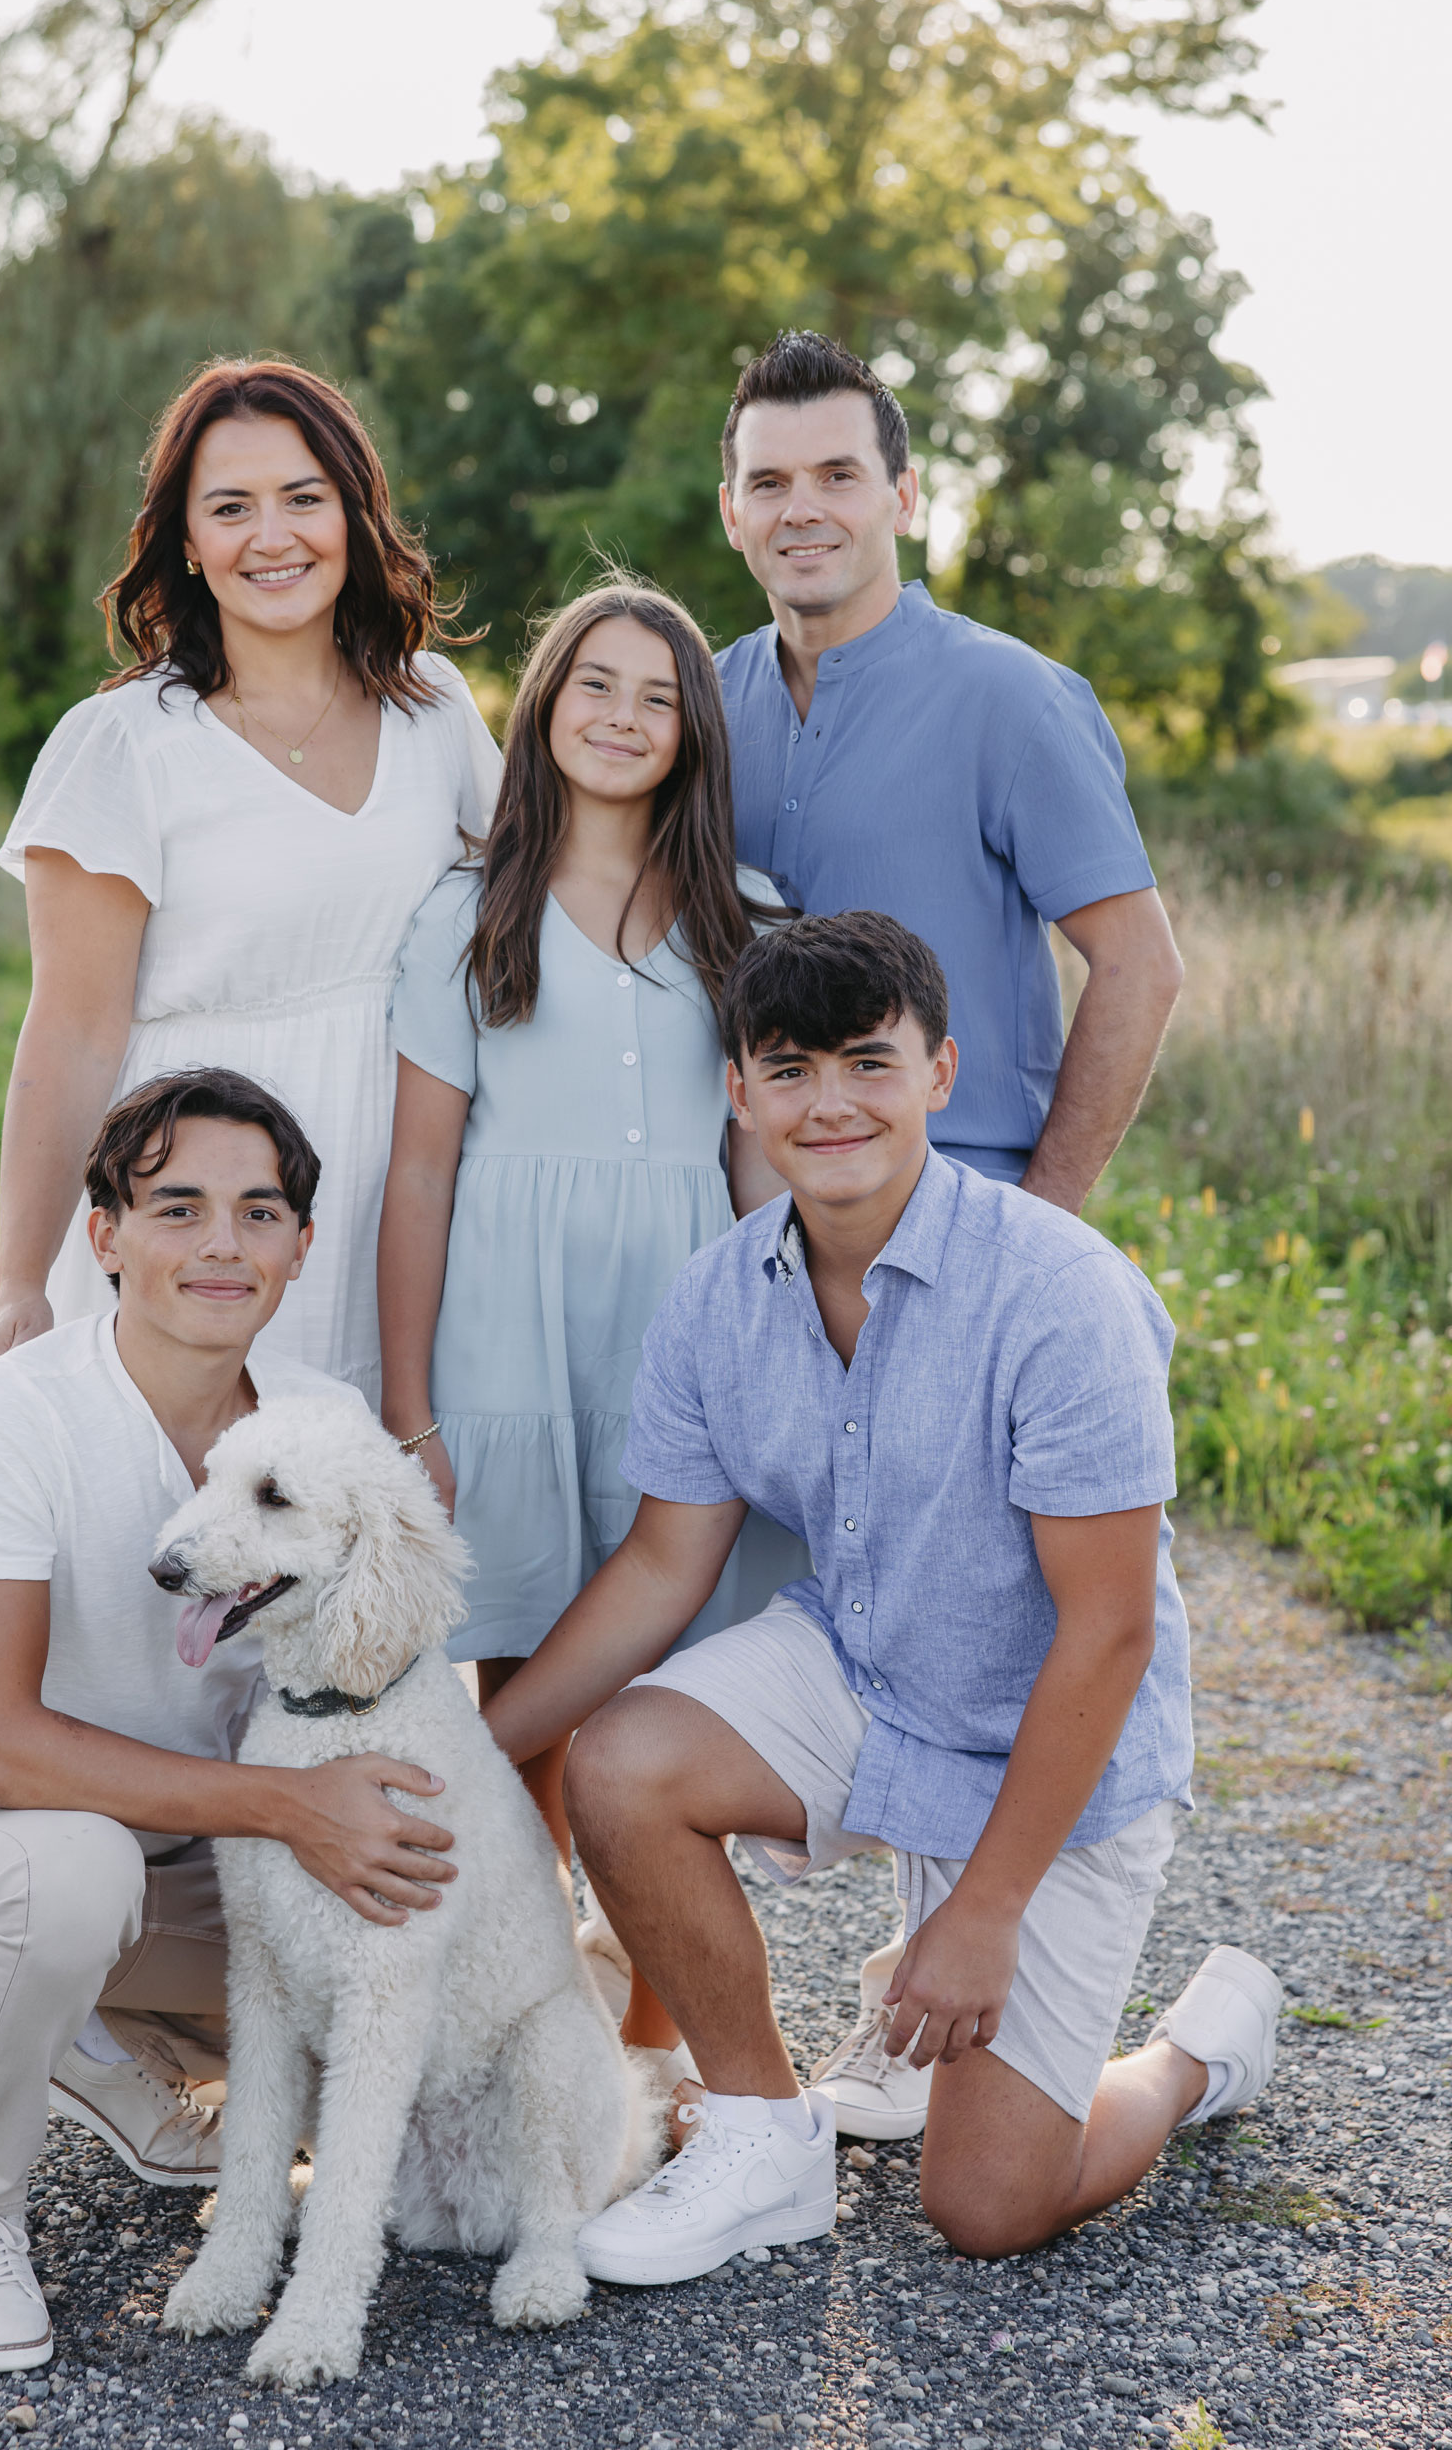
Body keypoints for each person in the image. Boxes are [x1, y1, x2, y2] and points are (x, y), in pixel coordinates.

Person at [483, 913, 1281, 2280]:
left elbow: (1109, 1632)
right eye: (790, 1070)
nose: (832, 1103)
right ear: (740, 1093)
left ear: (940, 1074)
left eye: (869, 1062)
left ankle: (1196, 2055)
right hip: (868, 1676)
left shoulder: (1062, 1294)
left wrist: (983, 1911)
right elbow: (663, 1567)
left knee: (989, 2207)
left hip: (1048, 1746)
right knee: (620, 1763)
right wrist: (474, 1752)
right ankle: (761, 2137)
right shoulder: (716, 1298)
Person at [714, 330, 1188, 2135]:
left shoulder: (1008, 699)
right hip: (776, 1255)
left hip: (970, 1238)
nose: (805, 508)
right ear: (732, 509)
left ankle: (1022, 1990)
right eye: (770, 478)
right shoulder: (708, 702)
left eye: (840, 473)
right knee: (835, 1619)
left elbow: (1137, 965)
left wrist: (1037, 1235)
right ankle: (765, 2013)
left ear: (904, 496)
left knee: (1007, 1631)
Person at [0, 1070, 459, 2372]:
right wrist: (291, 1807)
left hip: (205, 1876)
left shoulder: (322, 1426)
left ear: (300, 1245)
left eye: (258, 1212)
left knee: (451, 1993)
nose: (223, 1243)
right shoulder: (10, 1412)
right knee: (74, 1872)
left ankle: (109, 2042)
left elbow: (388, 1699)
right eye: (179, 1208)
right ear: (105, 1236)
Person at [376, 578, 809, 2104]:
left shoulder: (745, 917)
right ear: (546, 709)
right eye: (594, 687)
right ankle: (527, 2009)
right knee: (525, 1676)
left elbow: (760, 1168)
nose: (623, 718)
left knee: (664, 1679)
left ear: (693, 735)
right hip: (508, 1336)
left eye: (657, 698)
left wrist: (793, 1363)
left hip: (677, 1326)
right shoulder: (467, 910)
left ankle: (655, 2044)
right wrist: (413, 1406)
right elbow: (419, 1171)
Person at [0, 358, 501, 1403]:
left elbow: (536, 909)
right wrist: (20, 1285)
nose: (273, 537)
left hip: (394, 1190)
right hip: (199, 1195)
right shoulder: (122, 744)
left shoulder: (434, 708)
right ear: (186, 539)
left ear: (353, 514)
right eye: (231, 508)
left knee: (360, 1477)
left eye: (304, 498)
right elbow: (72, 1032)